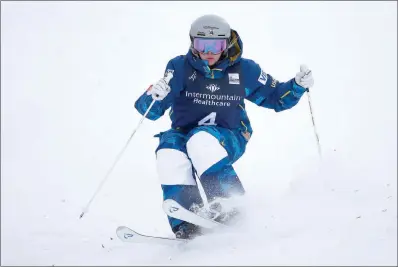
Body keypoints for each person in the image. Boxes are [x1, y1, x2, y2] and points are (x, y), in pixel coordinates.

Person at [134, 14, 314, 239]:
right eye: (202, 44)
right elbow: (149, 111)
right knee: (168, 152)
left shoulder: (244, 70)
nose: (209, 52)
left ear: (226, 43)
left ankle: (232, 209)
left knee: (201, 140)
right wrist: (154, 95)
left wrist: (297, 86)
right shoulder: (179, 67)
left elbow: (276, 97)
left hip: (230, 134)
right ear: (192, 43)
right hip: (183, 132)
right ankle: (188, 223)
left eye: (216, 45)